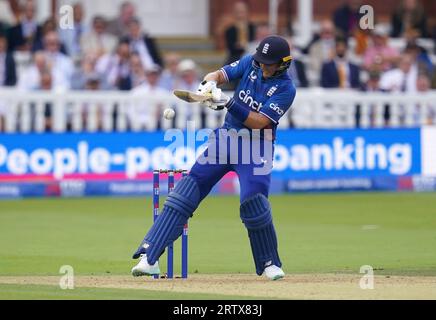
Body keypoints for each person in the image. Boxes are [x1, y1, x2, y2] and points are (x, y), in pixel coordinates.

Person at [130, 35, 296, 280]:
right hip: (225, 138)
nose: (262, 66)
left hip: (257, 147)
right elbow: (217, 74)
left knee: (254, 202)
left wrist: (228, 102)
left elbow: (261, 122)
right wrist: (208, 87)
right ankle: (150, 257)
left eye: (268, 63)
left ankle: (269, 262)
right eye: (260, 61)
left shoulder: (286, 89)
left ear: (283, 63)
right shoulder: (252, 62)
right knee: (187, 190)